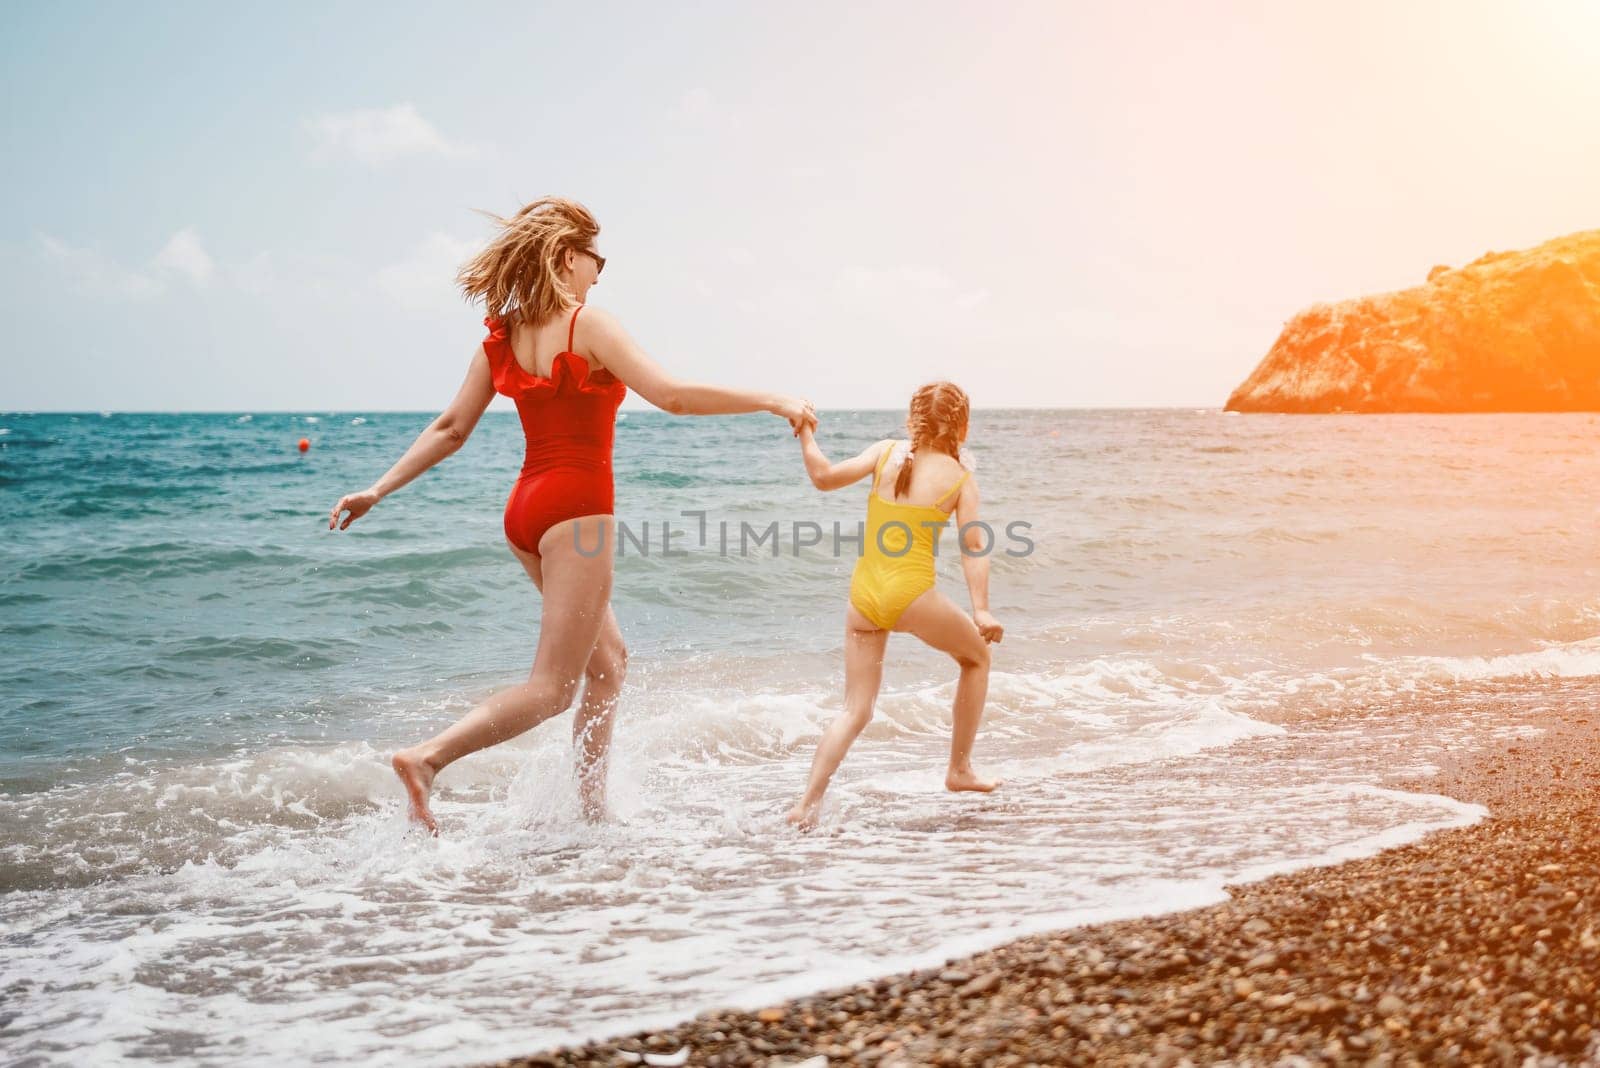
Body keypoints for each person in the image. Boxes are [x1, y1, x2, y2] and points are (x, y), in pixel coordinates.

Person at [328, 196, 816, 833]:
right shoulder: (590, 325)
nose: (599, 272)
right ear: (565, 258)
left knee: (608, 663)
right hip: (577, 512)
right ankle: (428, 759)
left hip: (526, 511)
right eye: (595, 258)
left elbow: (451, 429)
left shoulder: (502, 339)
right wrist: (771, 397)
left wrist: (377, 489)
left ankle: (591, 810)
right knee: (554, 688)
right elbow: (671, 396)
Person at [786, 381, 1002, 830]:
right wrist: (980, 610)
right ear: (962, 425)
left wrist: (805, 431)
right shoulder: (961, 478)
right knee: (976, 658)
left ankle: (805, 805)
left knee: (854, 710)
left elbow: (823, 477)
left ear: (913, 419)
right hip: (912, 597)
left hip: (863, 598)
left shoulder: (885, 453)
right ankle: (959, 768)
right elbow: (974, 545)